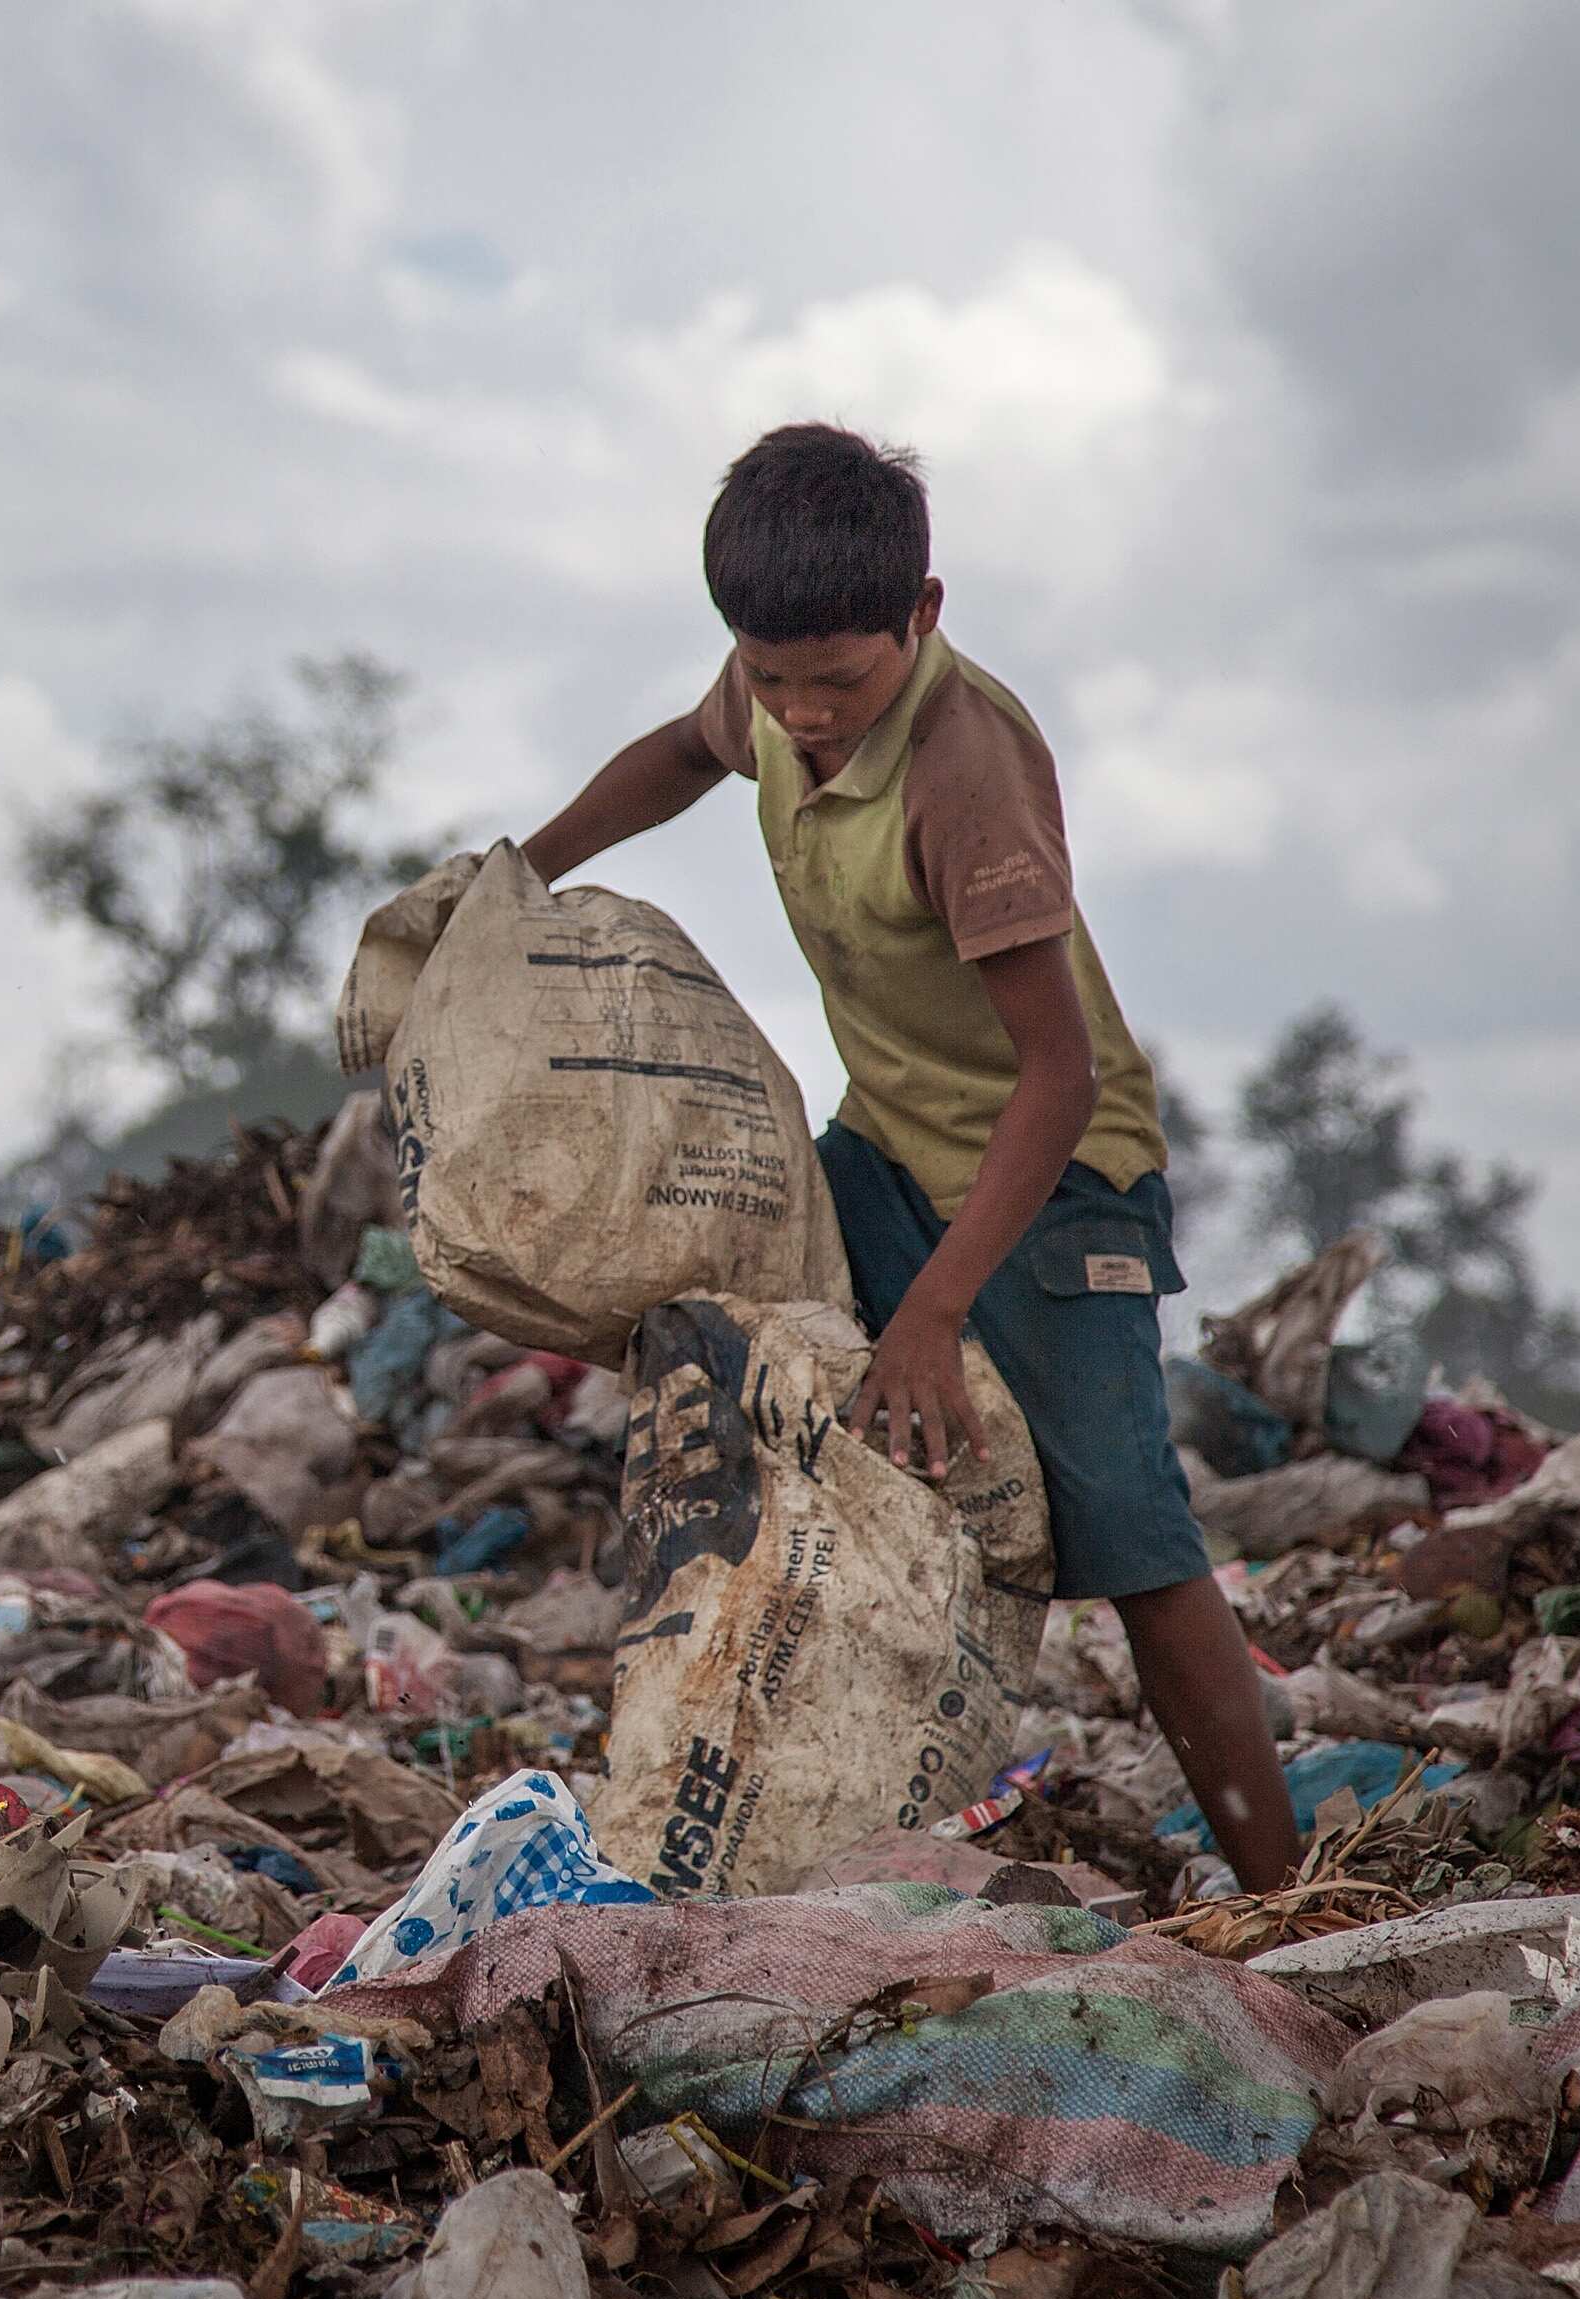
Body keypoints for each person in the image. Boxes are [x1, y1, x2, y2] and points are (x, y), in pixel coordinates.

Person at [518, 423, 1301, 1895]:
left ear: (923, 615)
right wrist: (525, 868)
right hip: (882, 1147)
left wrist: (934, 1312)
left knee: (1130, 1539)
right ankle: (787, 1831)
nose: (803, 714)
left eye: (839, 682)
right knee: (752, 1387)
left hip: (1055, 1187)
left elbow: (1059, 1078)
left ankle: (1288, 1892)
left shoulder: (964, 773)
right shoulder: (772, 693)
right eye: (772, 679)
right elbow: (680, 755)